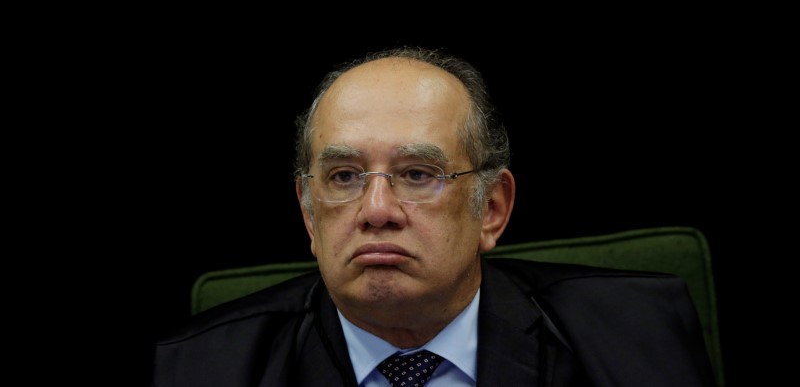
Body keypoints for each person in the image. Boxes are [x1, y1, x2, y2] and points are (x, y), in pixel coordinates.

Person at [151, 46, 716, 386]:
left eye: (418, 174)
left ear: (491, 210)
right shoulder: (195, 367)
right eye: (344, 177)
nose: (376, 211)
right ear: (308, 215)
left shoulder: (637, 331)